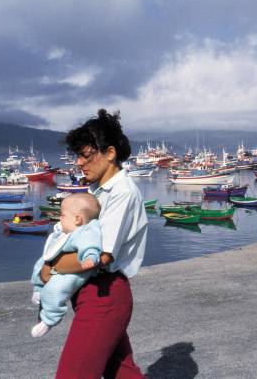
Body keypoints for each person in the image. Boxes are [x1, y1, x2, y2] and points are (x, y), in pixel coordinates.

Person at [40, 109, 148, 378]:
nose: (78, 163)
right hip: (95, 293)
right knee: (122, 372)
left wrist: (50, 266)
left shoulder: (121, 192)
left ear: (109, 153)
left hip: (104, 294)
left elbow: (102, 256)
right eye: (77, 155)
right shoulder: (97, 190)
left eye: (85, 155)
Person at [30, 193, 102, 338]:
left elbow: (91, 247)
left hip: (72, 274)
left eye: (62, 215)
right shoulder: (68, 231)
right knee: (39, 265)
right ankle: (38, 289)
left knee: (56, 289)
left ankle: (50, 319)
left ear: (77, 219)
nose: (60, 218)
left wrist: (90, 258)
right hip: (60, 267)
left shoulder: (87, 232)